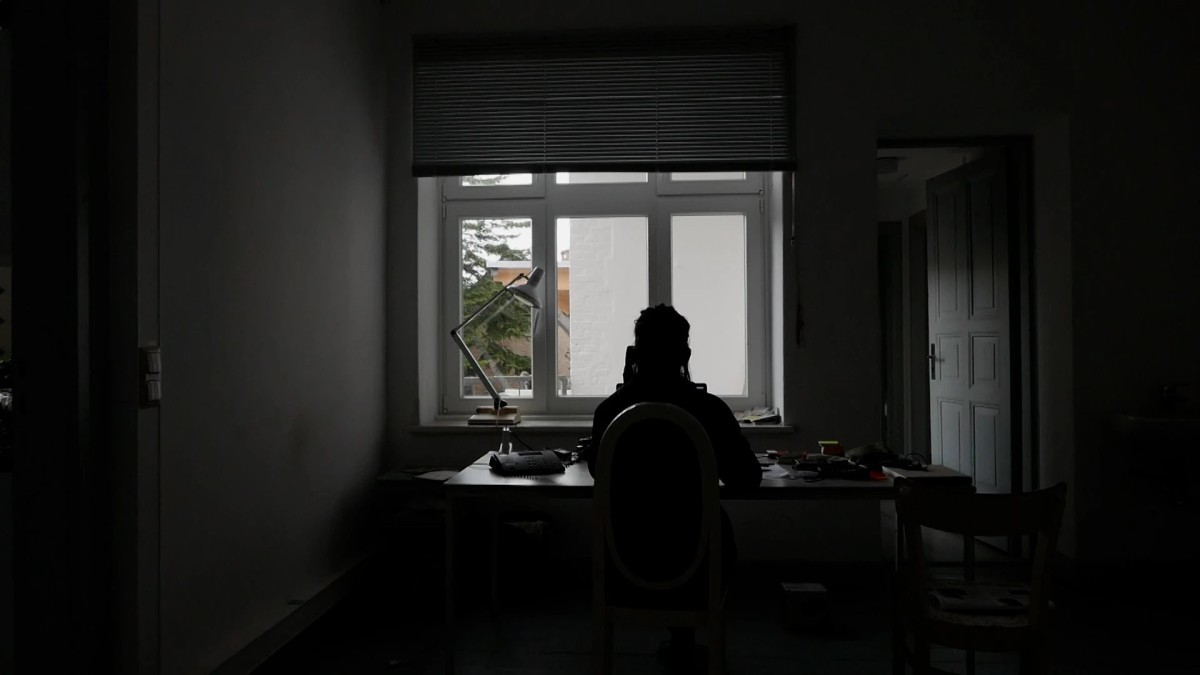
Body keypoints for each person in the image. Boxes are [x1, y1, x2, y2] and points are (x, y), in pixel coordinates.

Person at [583, 304, 761, 672]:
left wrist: (628, 384)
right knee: (705, 522)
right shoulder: (709, 410)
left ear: (635, 354)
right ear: (685, 354)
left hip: (625, 562)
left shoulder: (611, 412)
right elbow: (747, 477)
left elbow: (599, 473)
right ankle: (685, 638)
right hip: (697, 566)